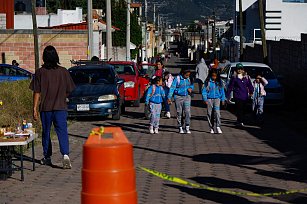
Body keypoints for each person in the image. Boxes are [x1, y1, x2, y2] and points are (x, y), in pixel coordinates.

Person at [30, 45, 76, 169]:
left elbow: (37, 92)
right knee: (62, 131)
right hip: (60, 107)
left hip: (46, 108)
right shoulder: (63, 71)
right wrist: (62, 96)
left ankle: (47, 156)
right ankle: (65, 155)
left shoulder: (40, 72)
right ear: (56, 56)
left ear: (44, 57)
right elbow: (70, 89)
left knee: (46, 132)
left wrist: (34, 108)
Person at [167, 69, 194, 134]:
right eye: (186, 75)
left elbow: (191, 85)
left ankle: (187, 126)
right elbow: (172, 88)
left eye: (188, 75)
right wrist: (169, 97)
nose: (187, 76)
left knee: (187, 112)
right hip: (178, 97)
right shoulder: (177, 79)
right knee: (179, 112)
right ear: (182, 73)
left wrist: (191, 88)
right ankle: (180, 127)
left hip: (187, 96)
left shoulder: (189, 78)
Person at [202, 69, 226, 134]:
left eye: (215, 76)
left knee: (217, 113)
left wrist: (223, 99)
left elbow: (222, 91)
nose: (214, 77)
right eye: (213, 76)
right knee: (209, 113)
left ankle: (218, 126)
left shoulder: (219, 82)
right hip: (209, 99)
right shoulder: (207, 82)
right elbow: (204, 91)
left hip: (217, 99)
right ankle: (211, 127)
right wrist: (205, 99)